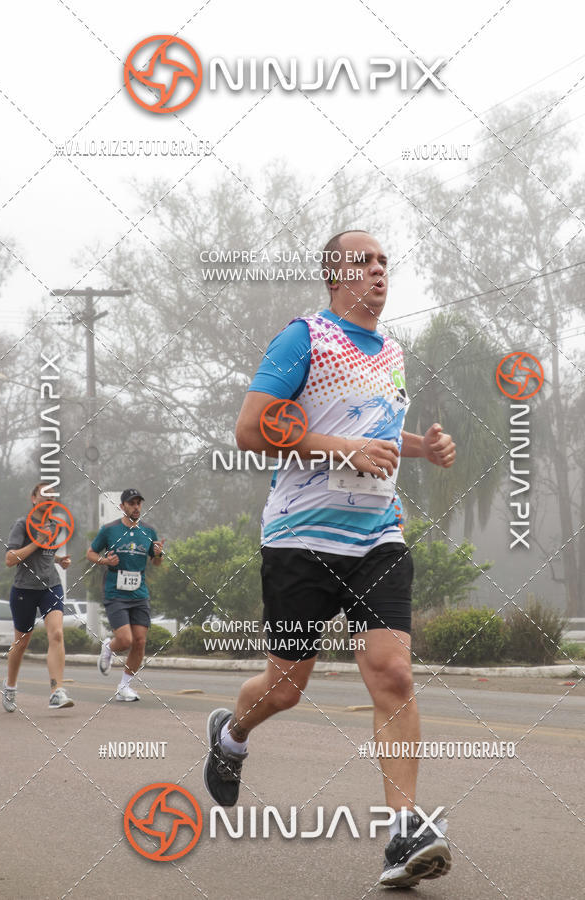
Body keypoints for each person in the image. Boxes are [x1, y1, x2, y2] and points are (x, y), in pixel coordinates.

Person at [203, 231, 457, 887]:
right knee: (286, 688)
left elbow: (369, 427)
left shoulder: (392, 352)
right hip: (300, 540)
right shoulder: (304, 338)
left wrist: (417, 449)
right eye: (365, 261)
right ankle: (231, 734)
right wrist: (340, 450)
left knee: (393, 672)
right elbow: (252, 427)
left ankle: (403, 835)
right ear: (334, 273)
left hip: (377, 534)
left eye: (384, 262)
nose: (378, 271)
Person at [87, 489, 165, 701]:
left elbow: (156, 561)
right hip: (115, 592)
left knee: (139, 642)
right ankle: (109, 647)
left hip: (139, 593)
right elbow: (91, 553)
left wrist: (158, 554)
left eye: (139, 503)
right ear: (122, 506)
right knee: (125, 640)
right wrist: (104, 561)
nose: (136, 507)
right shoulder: (110, 530)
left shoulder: (149, 531)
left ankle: (124, 686)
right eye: (131, 503)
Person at [2, 483, 74, 712]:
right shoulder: (22, 524)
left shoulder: (54, 526)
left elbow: (46, 554)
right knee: (22, 643)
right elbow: (10, 559)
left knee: (57, 633)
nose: (49, 499)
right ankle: (10, 685)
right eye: (44, 495)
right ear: (33, 498)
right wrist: (36, 542)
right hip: (24, 590)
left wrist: (58, 560)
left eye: (52, 496)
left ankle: (56, 691)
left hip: (51, 586)